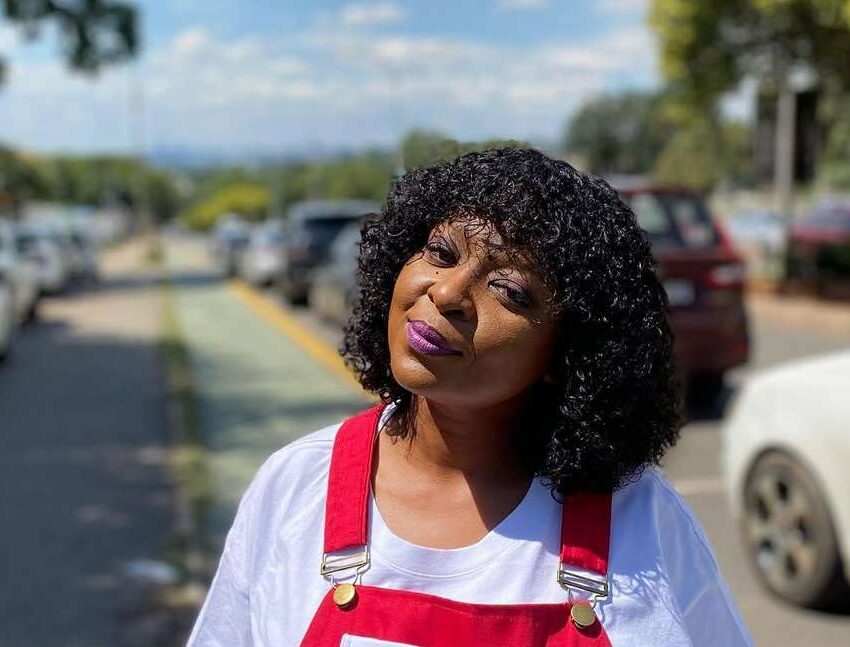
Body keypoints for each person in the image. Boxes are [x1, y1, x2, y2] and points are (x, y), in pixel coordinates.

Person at [187, 148, 752, 646]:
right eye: (440, 252)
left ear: (566, 354)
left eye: (509, 289)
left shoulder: (639, 518)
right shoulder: (294, 487)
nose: (449, 292)